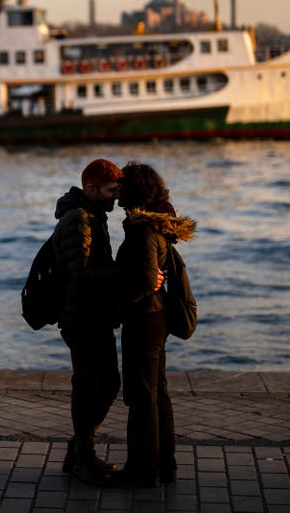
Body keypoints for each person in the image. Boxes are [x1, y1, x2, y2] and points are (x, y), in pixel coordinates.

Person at [113, 161, 195, 487]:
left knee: (142, 396)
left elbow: (145, 280)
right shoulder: (155, 225)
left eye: (122, 186)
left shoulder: (143, 228)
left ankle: (142, 470)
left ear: (134, 191)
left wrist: (119, 298)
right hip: (155, 317)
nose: (117, 191)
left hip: (144, 318)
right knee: (157, 392)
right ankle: (165, 465)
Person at [49, 158, 124, 486]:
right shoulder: (78, 218)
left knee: (105, 383)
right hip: (81, 317)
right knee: (90, 384)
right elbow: (81, 274)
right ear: (91, 188)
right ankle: (82, 458)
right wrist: (127, 274)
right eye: (110, 191)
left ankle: (79, 453)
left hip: (94, 314)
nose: (115, 198)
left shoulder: (95, 215)